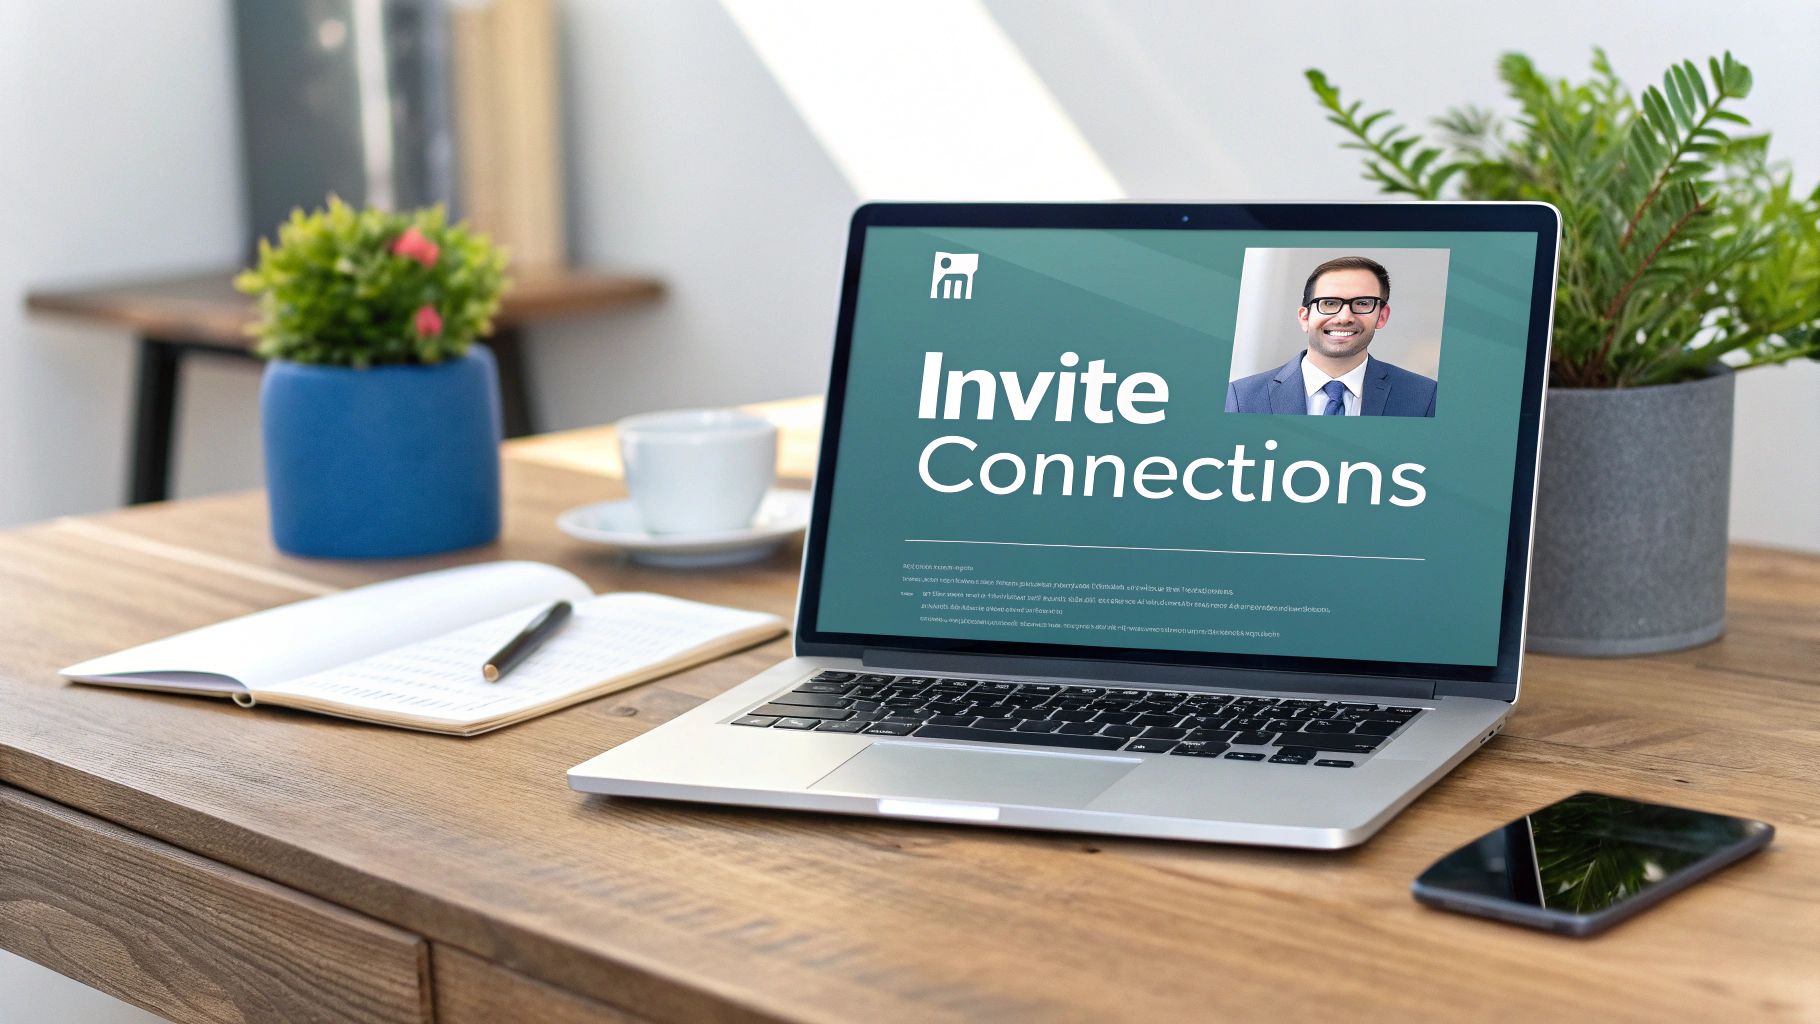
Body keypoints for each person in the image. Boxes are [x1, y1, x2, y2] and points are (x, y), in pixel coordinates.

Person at [1225, 256, 1437, 417]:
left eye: (1362, 303)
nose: (1344, 317)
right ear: (1304, 317)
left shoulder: (1426, 398)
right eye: (1329, 303)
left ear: (1381, 316)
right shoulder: (1241, 398)